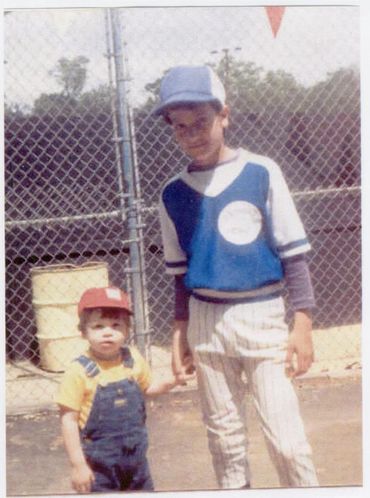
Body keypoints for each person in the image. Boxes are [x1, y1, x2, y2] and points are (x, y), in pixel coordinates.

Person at [153, 65, 319, 489]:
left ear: (224, 115)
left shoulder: (262, 172)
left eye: (202, 122)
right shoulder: (172, 193)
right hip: (205, 322)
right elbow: (179, 275)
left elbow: (294, 255)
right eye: (180, 127)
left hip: (262, 316)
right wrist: (179, 333)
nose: (192, 134)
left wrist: (302, 322)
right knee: (225, 443)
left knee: (287, 442)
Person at [56, 286, 193, 493]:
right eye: (98, 326)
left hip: (137, 463)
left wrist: (174, 381)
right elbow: (69, 420)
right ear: (83, 332)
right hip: (98, 467)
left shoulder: (133, 358)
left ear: (127, 330)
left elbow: (148, 388)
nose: (108, 332)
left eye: (116, 325)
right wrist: (78, 465)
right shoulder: (78, 371)